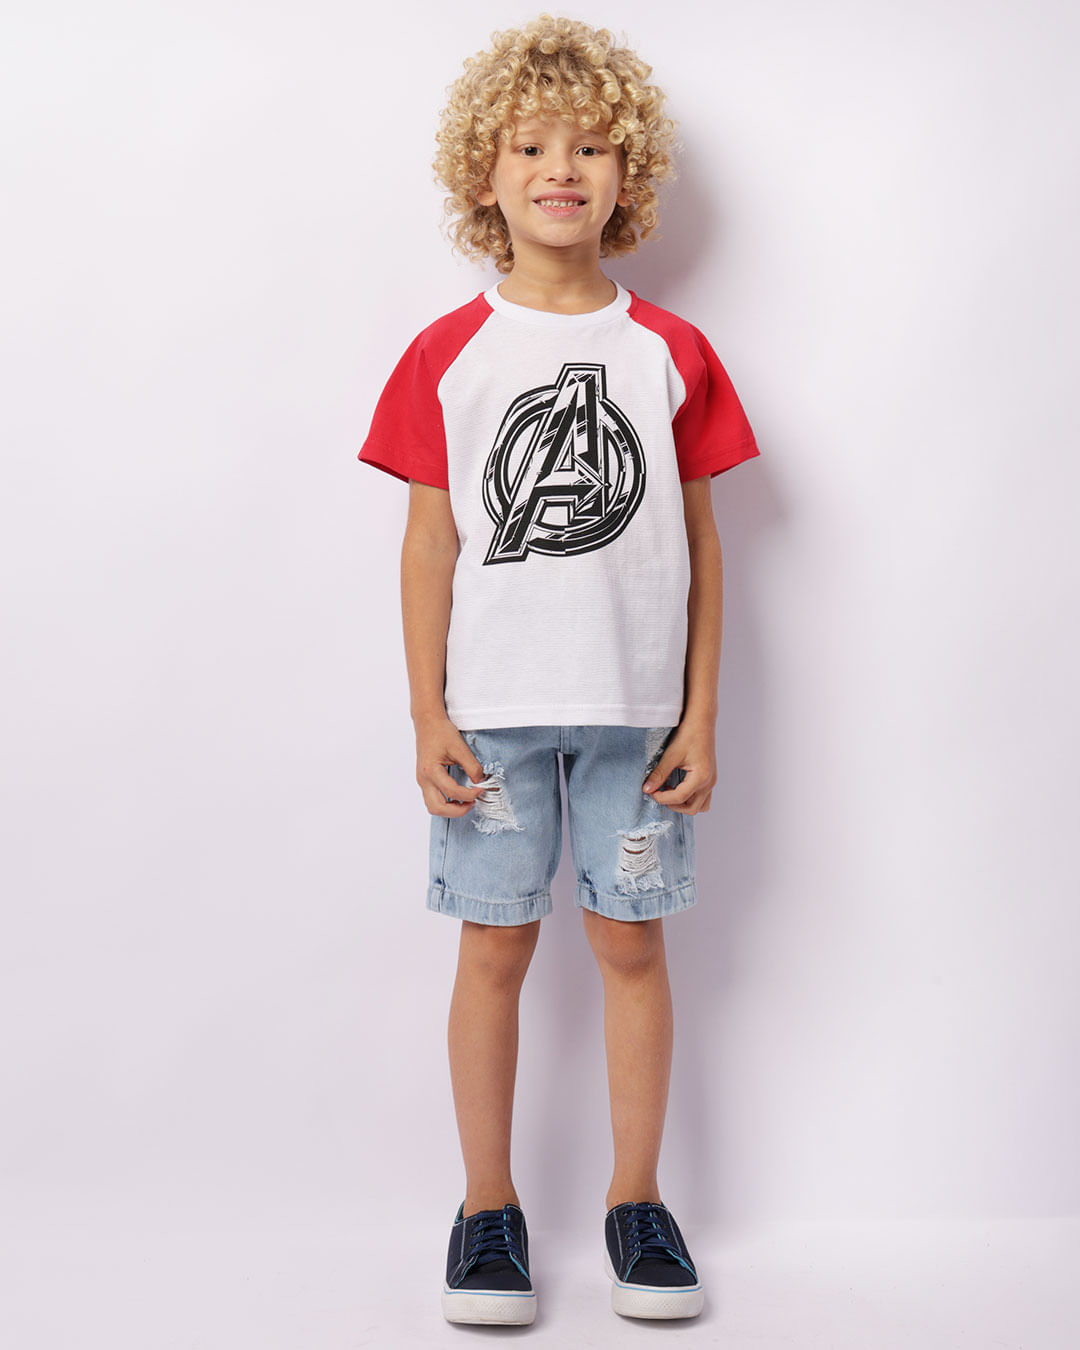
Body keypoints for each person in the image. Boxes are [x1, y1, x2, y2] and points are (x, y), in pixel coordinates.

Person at [358, 14, 759, 1326]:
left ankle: (638, 1203)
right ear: (485, 173)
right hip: (494, 718)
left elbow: (702, 544)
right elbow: (429, 545)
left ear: (626, 171)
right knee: (493, 952)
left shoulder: (670, 353)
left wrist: (702, 710)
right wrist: (426, 711)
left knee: (632, 948)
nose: (560, 170)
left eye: (589, 146)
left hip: (638, 715)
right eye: (530, 146)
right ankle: (487, 1209)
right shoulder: (447, 353)